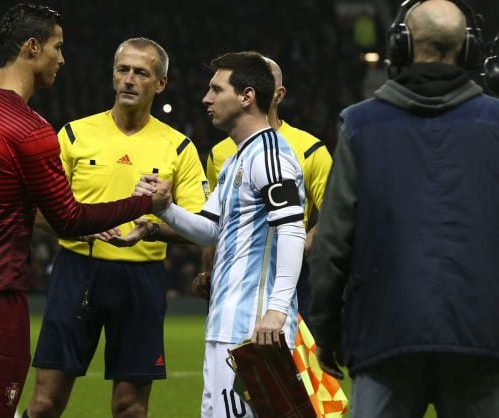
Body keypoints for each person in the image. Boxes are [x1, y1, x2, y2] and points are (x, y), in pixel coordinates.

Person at [0, 6, 165, 418]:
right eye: (57, 47)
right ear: (32, 47)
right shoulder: (29, 129)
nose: (62, 59)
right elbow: (69, 219)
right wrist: (145, 204)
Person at [310, 0, 499, 417]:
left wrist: (325, 331)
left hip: (383, 339)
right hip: (482, 338)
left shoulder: (359, 125)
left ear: (400, 45)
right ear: (468, 49)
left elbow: (333, 242)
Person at [25, 37, 209, 418]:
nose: (128, 79)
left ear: (160, 84)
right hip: (77, 272)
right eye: (122, 69)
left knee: (130, 409)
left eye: (141, 72)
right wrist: (76, 227)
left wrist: (154, 229)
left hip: (141, 280)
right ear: (112, 76)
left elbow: (201, 227)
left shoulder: (178, 148)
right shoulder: (74, 135)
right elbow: (34, 209)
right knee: (45, 404)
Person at [139, 51, 306, 418]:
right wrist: (165, 207)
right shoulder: (236, 160)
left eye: (216, 89)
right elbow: (210, 230)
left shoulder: (271, 157)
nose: (206, 99)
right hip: (228, 323)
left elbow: (292, 230)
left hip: (256, 328)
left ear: (247, 96)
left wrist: (276, 311)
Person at [196, 57, 332, 326]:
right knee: (233, 359)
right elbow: (215, 219)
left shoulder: (310, 149)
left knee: (295, 364)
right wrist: (208, 269)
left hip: (291, 274)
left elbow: (332, 216)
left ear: (278, 94)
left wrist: (296, 248)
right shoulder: (222, 153)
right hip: (233, 271)